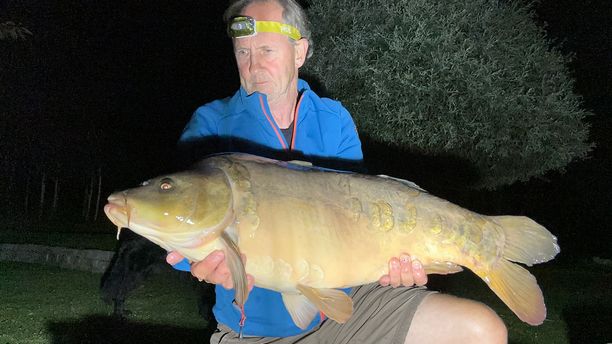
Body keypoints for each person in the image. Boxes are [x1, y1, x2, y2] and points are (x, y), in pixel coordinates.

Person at [167, 0, 508, 343]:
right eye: (243, 52)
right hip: (254, 330)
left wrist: (397, 262)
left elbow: (361, 211)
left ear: (299, 52)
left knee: (481, 330)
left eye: (266, 50)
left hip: (351, 305)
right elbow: (180, 232)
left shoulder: (334, 120)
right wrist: (197, 263)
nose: (254, 65)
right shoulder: (211, 126)